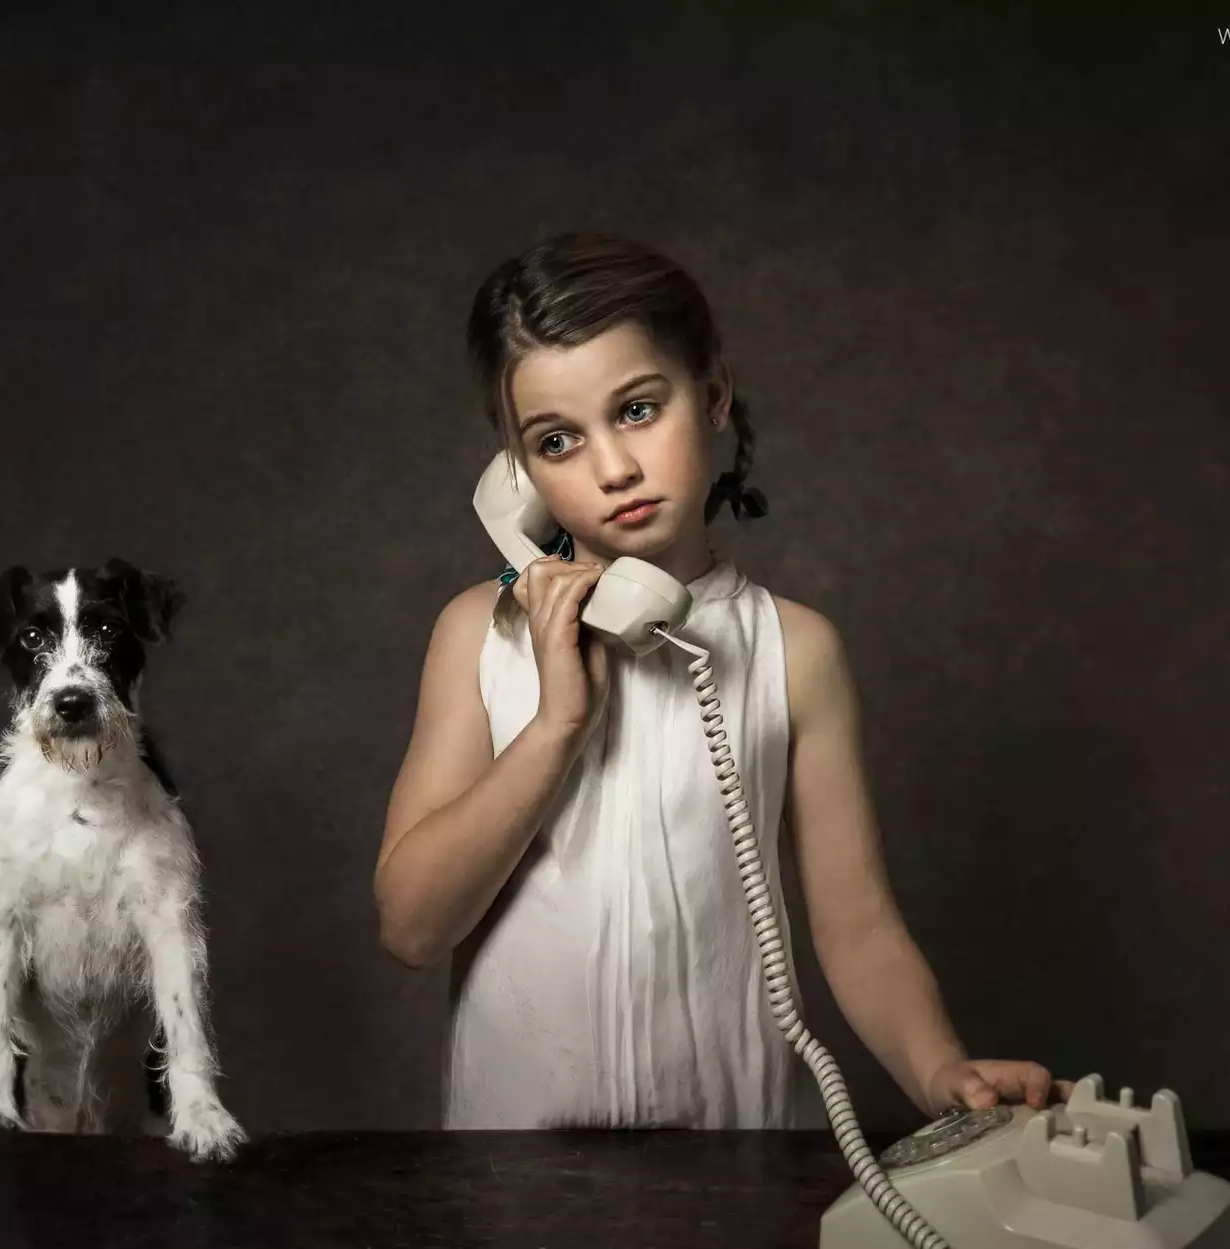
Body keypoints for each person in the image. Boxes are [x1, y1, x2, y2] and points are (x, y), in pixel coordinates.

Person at [373, 231, 1071, 1130]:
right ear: (519, 475)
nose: (613, 468)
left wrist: (941, 1070)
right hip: (516, 1170)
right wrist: (554, 726)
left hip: (731, 1158)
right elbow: (411, 927)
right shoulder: (480, 633)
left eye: (636, 410)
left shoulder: (796, 650)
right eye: (557, 440)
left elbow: (857, 929)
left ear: (710, 396)